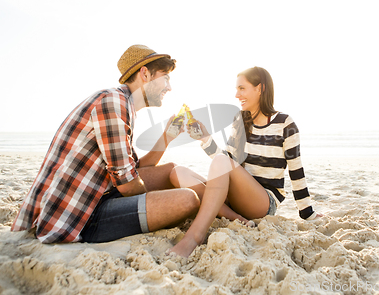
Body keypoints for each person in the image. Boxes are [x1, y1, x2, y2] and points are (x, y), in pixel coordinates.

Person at [11, 44, 209, 243]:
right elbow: (128, 186)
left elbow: (133, 170)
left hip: (98, 195)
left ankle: (220, 199)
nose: (169, 87)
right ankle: (221, 201)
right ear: (145, 74)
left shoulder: (123, 104)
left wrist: (167, 137)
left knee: (172, 169)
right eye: (165, 77)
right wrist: (160, 196)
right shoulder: (113, 102)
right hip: (79, 216)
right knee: (186, 199)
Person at [170, 66, 322, 257]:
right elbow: (229, 162)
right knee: (178, 172)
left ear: (260, 89)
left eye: (242, 88)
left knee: (220, 162)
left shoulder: (285, 123)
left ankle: (194, 237)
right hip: (236, 197)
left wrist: (307, 212)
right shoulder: (240, 121)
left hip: (262, 201)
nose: (236, 94)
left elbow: (296, 170)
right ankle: (236, 217)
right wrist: (205, 138)